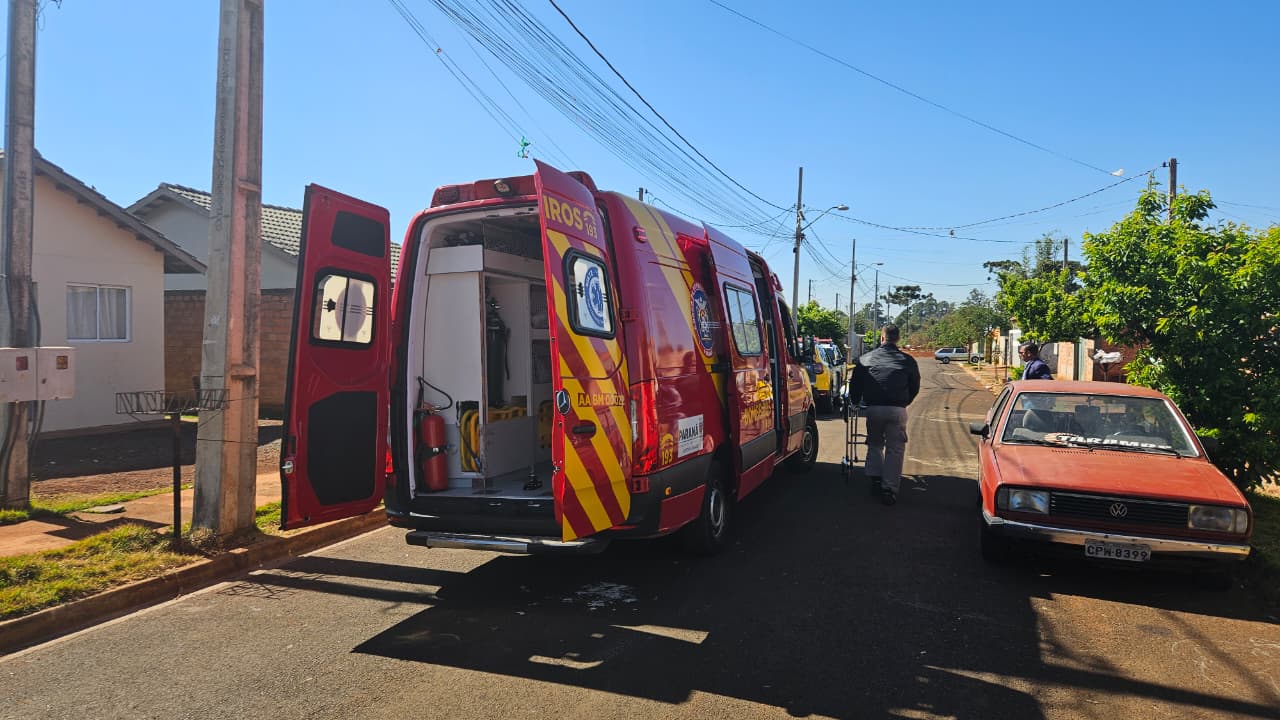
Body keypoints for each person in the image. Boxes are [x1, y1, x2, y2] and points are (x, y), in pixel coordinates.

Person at [848, 325, 920, 505]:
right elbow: (915, 386)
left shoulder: (865, 359)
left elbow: (855, 385)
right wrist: (904, 402)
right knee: (895, 449)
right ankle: (889, 489)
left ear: (882, 338)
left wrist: (855, 402)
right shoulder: (908, 360)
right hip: (897, 409)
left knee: (874, 444)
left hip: (874, 409)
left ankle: (875, 479)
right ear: (897, 339)